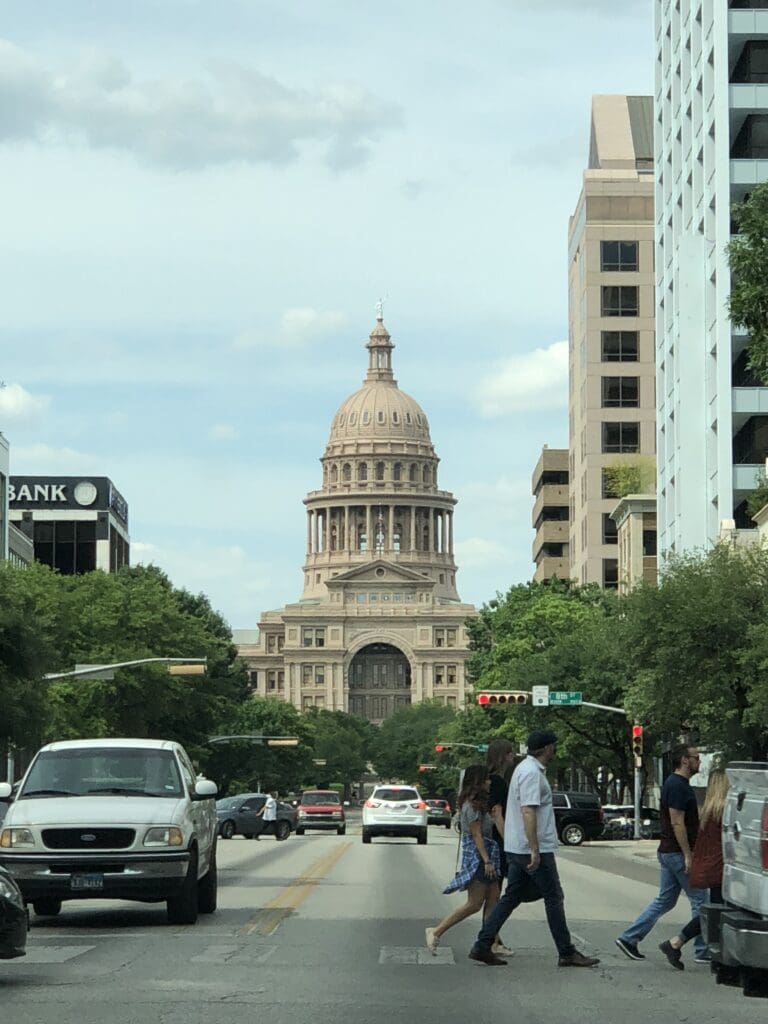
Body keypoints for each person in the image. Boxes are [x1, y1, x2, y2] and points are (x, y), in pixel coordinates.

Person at [469, 730, 600, 968]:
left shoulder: (525, 769)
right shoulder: (531, 773)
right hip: (528, 847)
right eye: (554, 746)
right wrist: (535, 849)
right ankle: (566, 951)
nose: (555, 749)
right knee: (554, 896)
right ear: (547, 748)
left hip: (517, 846)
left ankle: (482, 945)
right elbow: (528, 810)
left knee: (512, 896)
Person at [616, 744, 707, 963]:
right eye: (696, 757)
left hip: (669, 852)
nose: (700, 761)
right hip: (676, 852)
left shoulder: (677, 784)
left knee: (665, 900)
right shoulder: (677, 785)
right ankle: (703, 951)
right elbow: (677, 822)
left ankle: (629, 938)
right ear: (684, 760)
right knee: (702, 902)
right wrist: (688, 854)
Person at [425, 766, 501, 956]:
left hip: (488, 853)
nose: (489, 783)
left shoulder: (480, 805)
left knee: (494, 899)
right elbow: (476, 835)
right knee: (475, 903)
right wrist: (486, 861)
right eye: (486, 780)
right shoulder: (471, 806)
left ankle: (490, 942)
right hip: (478, 857)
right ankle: (436, 931)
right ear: (477, 782)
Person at [659, 766, 729, 970]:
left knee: (714, 911)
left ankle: (678, 943)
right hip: (722, 868)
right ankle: (679, 943)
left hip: (713, 866)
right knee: (717, 912)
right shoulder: (724, 810)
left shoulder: (709, 809)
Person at [486, 737, 520, 959]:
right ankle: (492, 941)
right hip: (497, 844)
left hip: (491, 842)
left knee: (492, 895)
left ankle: (491, 939)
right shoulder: (497, 782)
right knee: (494, 895)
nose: (514, 756)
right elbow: (497, 812)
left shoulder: (489, 780)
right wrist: (508, 841)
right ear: (503, 756)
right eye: (511, 753)